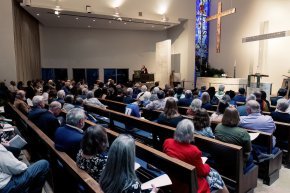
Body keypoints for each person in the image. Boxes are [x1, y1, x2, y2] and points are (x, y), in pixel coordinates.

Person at [163, 119, 228, 193]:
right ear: (191, 134)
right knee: (215, 174)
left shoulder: (167, 142)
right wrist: (207, 166)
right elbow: (202, 172)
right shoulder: (193, 150)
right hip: (190, 185)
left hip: (174, 179)